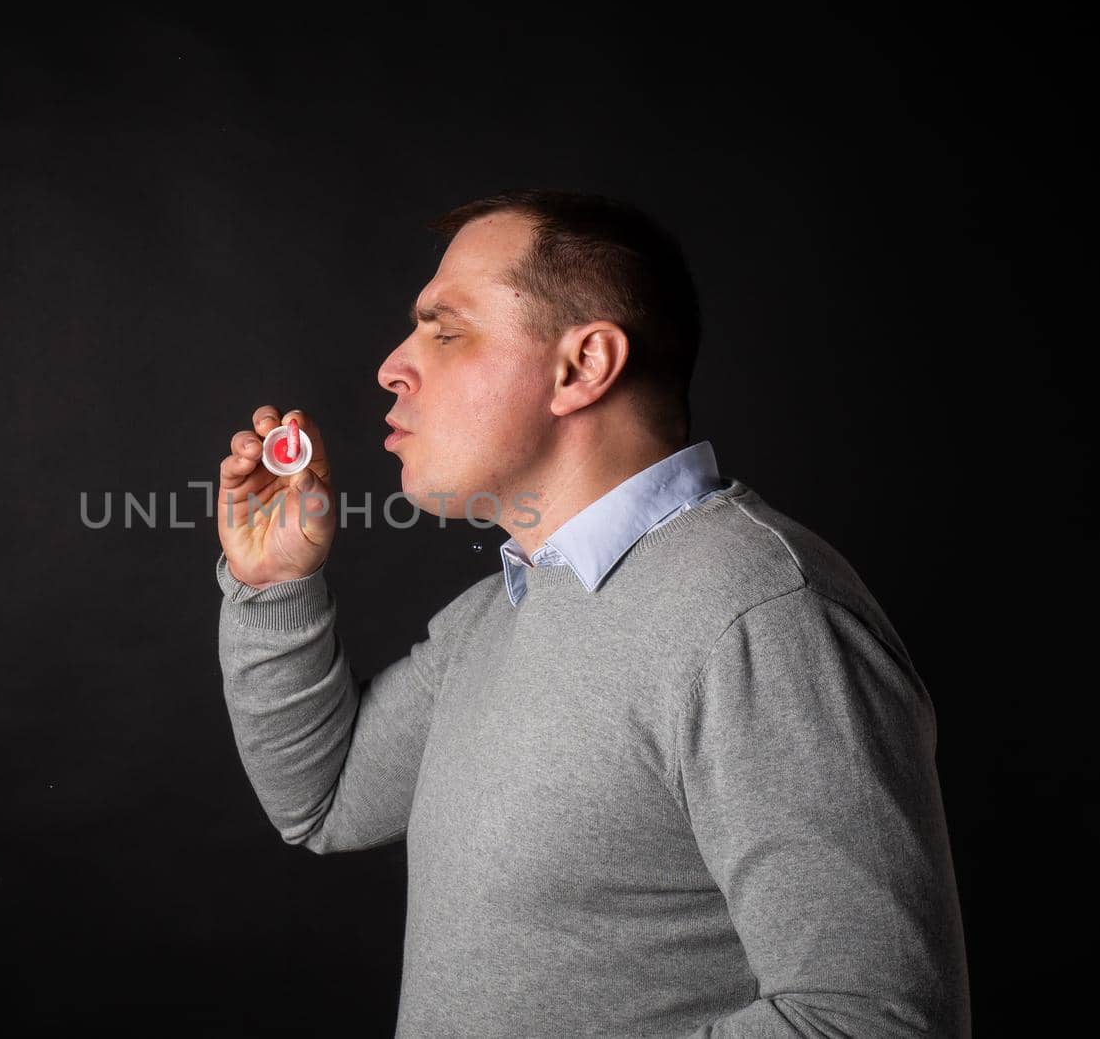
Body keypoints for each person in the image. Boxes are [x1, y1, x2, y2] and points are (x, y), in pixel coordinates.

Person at [212, 189, 971, 1036]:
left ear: (583, 366)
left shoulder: (760, 617)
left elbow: (876, 1021)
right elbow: (324, 800)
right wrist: (275, 585)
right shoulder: (501, 611)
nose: (393, 364)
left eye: (446, 329)